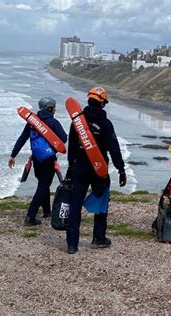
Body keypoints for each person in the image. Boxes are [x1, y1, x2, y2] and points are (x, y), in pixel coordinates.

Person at [65, 87, 126, 254]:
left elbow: (71, 145)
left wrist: (71, 166)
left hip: (79, 167)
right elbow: (114, 148)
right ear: (103, 104)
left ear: (88, 101)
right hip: (99, 170)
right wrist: (121, 170)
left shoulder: (77, 121)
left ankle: (72, 244)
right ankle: (98, 238)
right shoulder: (106, 124)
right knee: (101, 203)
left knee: (75, 204)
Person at [8, 97, 68, 226]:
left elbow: (22, 138)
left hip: (36, 158)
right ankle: (30, 216)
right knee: (43, 186)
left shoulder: (32, 122)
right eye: (54, 107)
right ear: (50, 108)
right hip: (48, 158)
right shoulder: (53, 122)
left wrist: (13, 155)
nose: (55, 110)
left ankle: (47, 212)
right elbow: (63, 138)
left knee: (42, 183)